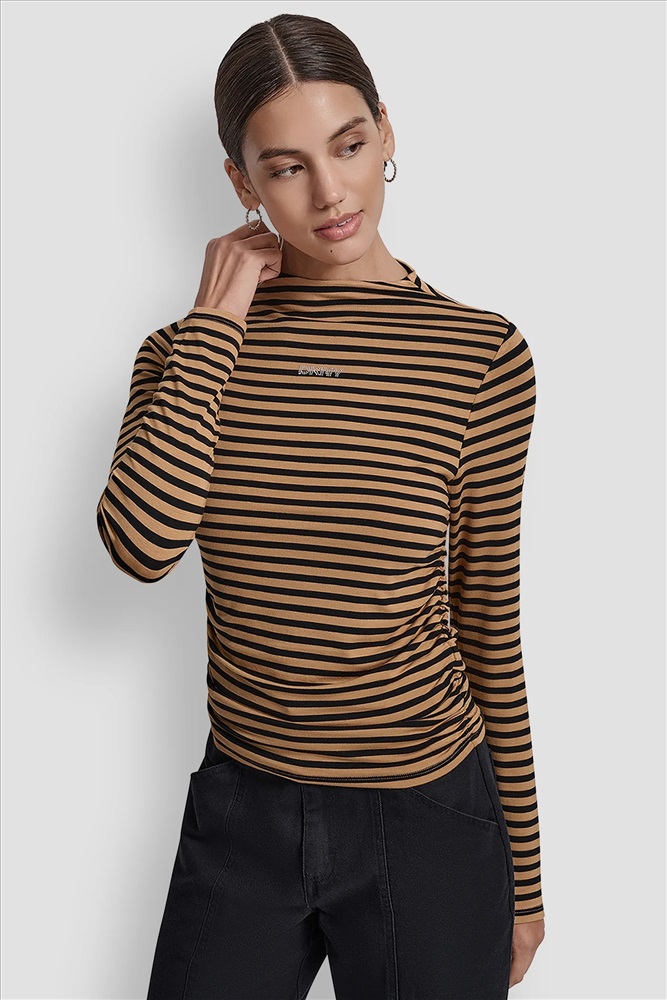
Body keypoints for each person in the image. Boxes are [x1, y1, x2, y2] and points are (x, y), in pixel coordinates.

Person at [96, 12, 546, 999]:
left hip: (429, 816)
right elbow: (140, 546)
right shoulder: (182, 354)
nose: (331, 192)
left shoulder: (479, 355)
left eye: (348, 146)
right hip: (243, 807)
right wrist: (217, 321)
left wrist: (525, 871)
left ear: (386, 132)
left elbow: (485, 613)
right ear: (241, 183)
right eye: (286, 166)